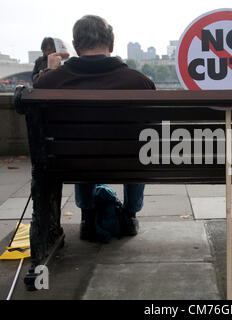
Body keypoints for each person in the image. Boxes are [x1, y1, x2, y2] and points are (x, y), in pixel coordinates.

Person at [34, 15, 155, 241]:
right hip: (129, 164)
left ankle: (88, 217)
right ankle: (129, 215)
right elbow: (151, 130)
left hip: (71, 164)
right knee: (139, 150)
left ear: (76, 47)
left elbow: (36, 98)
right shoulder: (139, 82)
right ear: (111, 44)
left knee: (81, 151)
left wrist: (49, 72)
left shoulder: (51, 83)